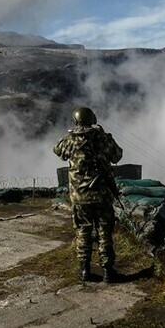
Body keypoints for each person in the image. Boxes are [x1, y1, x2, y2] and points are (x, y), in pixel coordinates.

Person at [53, 106, 123, 282]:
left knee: (83, 231)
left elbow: (57, 150)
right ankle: (108, 271)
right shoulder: (102, 138)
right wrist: (106, 137)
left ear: (76, 121)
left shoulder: (70, 140)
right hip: (102, 195)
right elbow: (117, 156)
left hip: (80, 197)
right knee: (104, 232)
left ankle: (85, 270)